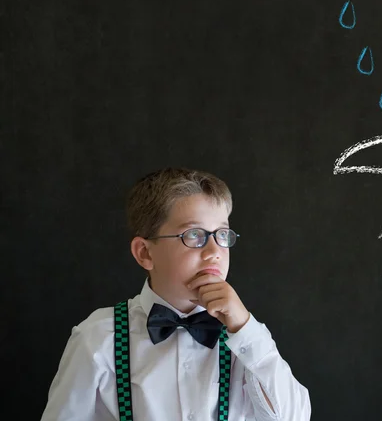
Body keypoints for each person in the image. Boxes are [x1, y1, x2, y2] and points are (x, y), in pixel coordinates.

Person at [40, 167, 311, 421]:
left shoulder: (247, 339)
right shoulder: (99, 337)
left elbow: (295, 416)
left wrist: (245, 328)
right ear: (145, 253)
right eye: (194, 235)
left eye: (222, 234)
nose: (214, 251)